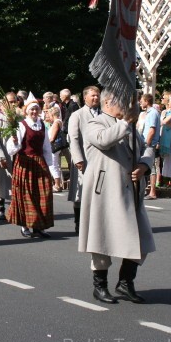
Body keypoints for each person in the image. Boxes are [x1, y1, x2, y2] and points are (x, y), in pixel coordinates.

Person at [78, 89, 156, 304]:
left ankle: (125, 282)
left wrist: (144, 165)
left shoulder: (129, 125)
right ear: (108, 103)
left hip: (131, 192)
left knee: (142, 239)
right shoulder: (96, 122)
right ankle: (99, 286)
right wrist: (126, 123)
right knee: (102, 239)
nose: (128, 106)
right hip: (105, 191)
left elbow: (147, 148)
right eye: (123, 102)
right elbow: (103, 140)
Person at [6, 93, 55, 238]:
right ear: (27, 111)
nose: (34, 112)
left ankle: (39, 226)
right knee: (25, 195)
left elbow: (47, 147)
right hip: (24, 163)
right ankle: (25, 226)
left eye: (36, 109)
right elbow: (11, 149)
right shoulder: (21, 125)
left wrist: (51, 170)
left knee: (42, 194)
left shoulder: (42, 126)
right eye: (31, 110)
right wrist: (15, 141)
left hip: (39, 162)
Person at [67, 86, 101, 235]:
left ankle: (96, 225)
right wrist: (78, 159)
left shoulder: (104, 114)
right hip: (84, 160)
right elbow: (73, 138)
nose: (96, 98)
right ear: (85, 97)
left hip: (101, 160)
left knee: (99, 192)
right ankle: (79, 223)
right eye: (93, 95)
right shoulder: (77, 115)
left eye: (97, 95)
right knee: (80, 194)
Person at [0, 92, 19, 221]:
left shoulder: (20, 118)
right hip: (3, 154)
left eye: (14, 101)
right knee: (1, 181)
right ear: (5, 103)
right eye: (10, 102)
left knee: (16, 183)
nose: (12, 104)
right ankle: (0, 209)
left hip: (17, 155)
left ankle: (16, 208)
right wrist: (1, 156)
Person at [139, 94, 160, 200]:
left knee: (151, 168)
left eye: (142, 101)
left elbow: (152, 130)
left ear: (147, 101)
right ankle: (146, 190)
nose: (140, 102)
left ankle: (152, 192)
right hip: (145, 142)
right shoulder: (147, 113)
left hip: (149, 144)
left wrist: (147, 143)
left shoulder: (153, 113)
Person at [46, 105, 65, 192]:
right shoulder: (58, 122)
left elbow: (52, 137)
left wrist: (46, 143)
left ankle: (57, 184)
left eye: (49, 114)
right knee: (55, 165)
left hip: (53, 147)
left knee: (53, 165)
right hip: (56, 147)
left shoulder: (56, 122)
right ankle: (58, 183)